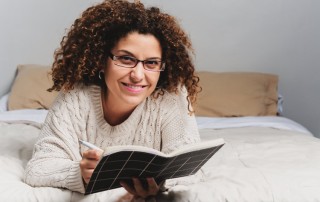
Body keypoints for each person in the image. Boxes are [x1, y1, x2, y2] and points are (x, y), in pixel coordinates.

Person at [24, 0, 201, 199]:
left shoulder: (172, 96)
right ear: (101, 61)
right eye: (126, 59)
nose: (138, 75)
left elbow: (190, 170)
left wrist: (160, 184)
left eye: (151, 63)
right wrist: (80, 174)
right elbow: (38, 168)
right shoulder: (75, 97)